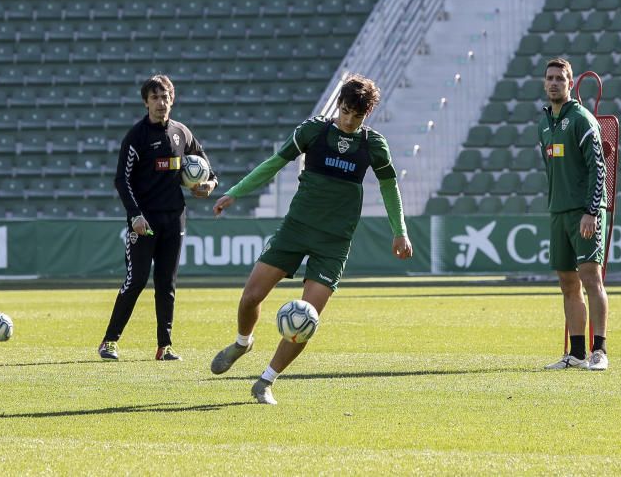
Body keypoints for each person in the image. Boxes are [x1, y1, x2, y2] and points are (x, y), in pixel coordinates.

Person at [209, 74, 412, 405]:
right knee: (250, 297)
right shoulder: (314, 131)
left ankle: (266, 381)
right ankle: (242, 342)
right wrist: (236, 192)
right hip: (296, 229)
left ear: (367, 115)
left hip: (334, 242)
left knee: (306, 320)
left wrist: (399, 230)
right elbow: (275, 163)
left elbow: (389, 186)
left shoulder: (373, 145)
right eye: (345, 111)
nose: (348, 120)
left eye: (356, 116)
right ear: (339, 105)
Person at [98, 74, 218, 361]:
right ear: (145, 102)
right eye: (155, 98)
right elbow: (121, 180)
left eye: (165, 97)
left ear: (172, 100)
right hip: (144, 222)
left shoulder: (182, 133)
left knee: (167, 284)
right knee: (136, 280)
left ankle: (165, 346)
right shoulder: (136, 137)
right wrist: (135, 216)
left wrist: (208, 186)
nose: (161, 103)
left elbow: (207, 169)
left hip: (175, 218)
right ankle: (109, 341)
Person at [538, 58, 609, 371]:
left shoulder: (581, 119)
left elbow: (599, 167)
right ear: (544, 83)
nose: (554, 83)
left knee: (591, 279)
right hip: (558, 212)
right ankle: (577, 354)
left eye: (560, 78)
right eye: (550, 78)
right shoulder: (544, 124)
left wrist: (591, 211)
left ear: (570, 83)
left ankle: (599, 351)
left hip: (584, 213)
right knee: (568, 283)